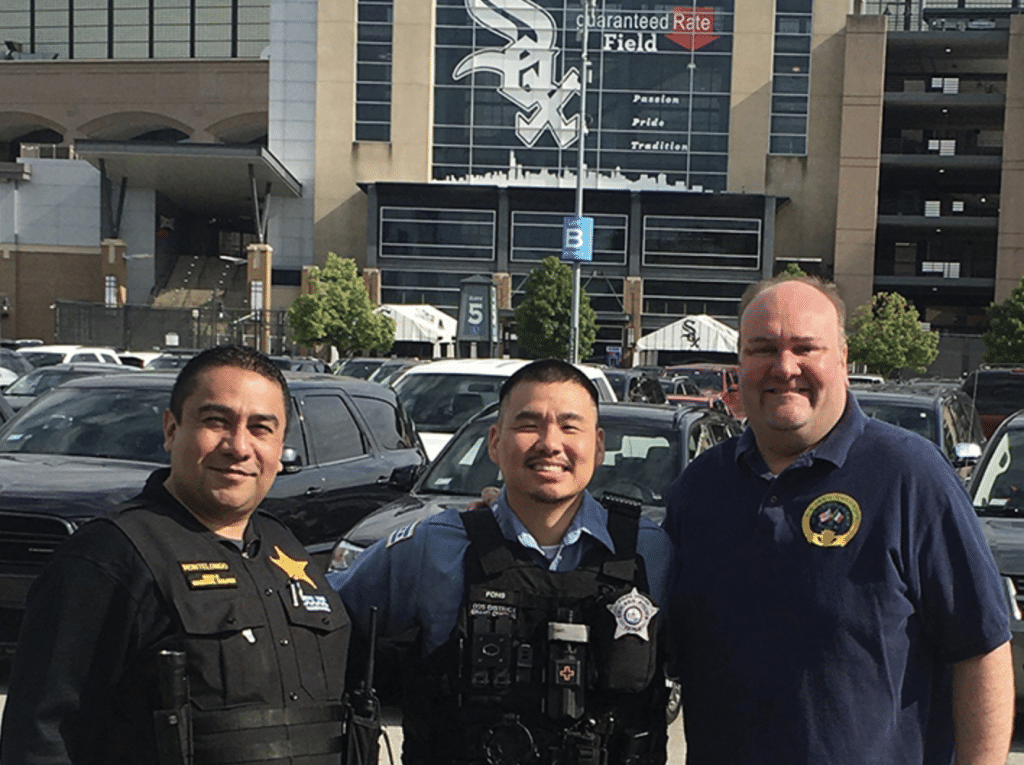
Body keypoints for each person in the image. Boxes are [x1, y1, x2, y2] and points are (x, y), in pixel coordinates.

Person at [663, 275, 1014, 765]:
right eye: (762, 348)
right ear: (740, 363)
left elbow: (981, 648)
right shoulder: (699, 490)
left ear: (843, 359)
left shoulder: (909, 475)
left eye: (805, 347)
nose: (785, 367)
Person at [1, 345, 351, 765]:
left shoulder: (285, 550)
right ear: (171, 430)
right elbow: (42, 738)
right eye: (216, 421)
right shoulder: (110, 557)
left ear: (280, 448)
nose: (238, 446)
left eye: (260, 429)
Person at [330, 358, 673, 765]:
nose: (550, 443)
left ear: (598, 446)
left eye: (569, 426)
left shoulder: (650, 552)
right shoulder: (435, 546)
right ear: (494, 442)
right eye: (528, 425)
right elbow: (321, 621)